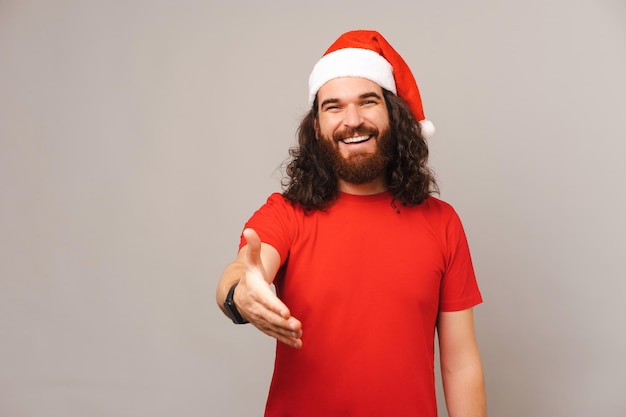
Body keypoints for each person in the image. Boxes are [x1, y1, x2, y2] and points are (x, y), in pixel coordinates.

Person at [216, 30, 486, 417]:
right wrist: (239, 294)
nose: (353, 121)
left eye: (367, 102)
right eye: (334, 107)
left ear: (392, 114)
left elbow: (460, 364)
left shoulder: (442, 223)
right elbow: (242, 271)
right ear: (316, 126)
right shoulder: (285, 214)